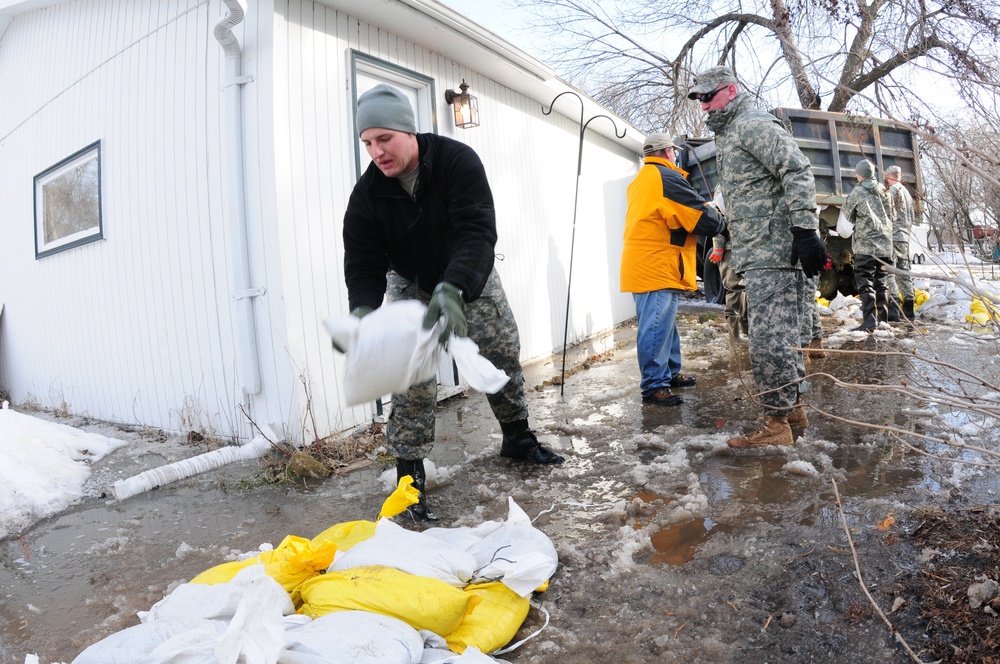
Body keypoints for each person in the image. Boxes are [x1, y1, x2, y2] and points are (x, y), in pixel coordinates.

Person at [341, 84, 563, 521]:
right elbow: (363, 264)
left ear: (408, 131)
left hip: (467, 271)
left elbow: (477, 231)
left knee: (501, 352)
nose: (376, 151)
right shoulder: (366, 196)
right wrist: (363, 314)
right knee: (411, 379)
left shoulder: (455, 162)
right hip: (409, 281)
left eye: (383, 138)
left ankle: (517, 437)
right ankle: (408, 479)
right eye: (367, 142)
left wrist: (455, 287)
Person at [688, 66, 828, 448]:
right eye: (699, 99)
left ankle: (776, 424)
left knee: (770, 340)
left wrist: (803, 229)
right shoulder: (732, 133)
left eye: (708, 96)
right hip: (760, 248)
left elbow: (796, 169)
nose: (703, 105)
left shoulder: (751, 124)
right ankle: (793, 408)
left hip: (773, 250)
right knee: (784, 335)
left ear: (730, 91)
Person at [620, 133, 725, 406]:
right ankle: (654, 386)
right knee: (655, 326)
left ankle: (670, 373)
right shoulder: (667, 178)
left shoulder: (642, 179)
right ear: (667, 152)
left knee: (664, 324)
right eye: (674, 151)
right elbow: (701, 217)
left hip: (648, 263)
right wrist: (719, 220)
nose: (676, 155)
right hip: (657, 264)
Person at [842, 159, 894, 332]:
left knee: (866, 282)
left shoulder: (857, 192)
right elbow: (892, 215)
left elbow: (847, 215)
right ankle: (883, 319)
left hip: (865, 246)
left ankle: (870, 320)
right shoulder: (885, 191)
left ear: (860, 174)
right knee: (882, 281)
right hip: (885, 245)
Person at [884, 165, 916, 321]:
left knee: (889, 271)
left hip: (894, 236)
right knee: (904, 272)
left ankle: (894, 308)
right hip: (905, 237)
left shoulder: (893, 190)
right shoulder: (907, 193)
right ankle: (909, 309)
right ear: (900, 176)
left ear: (889, 176)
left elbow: (885, 210)